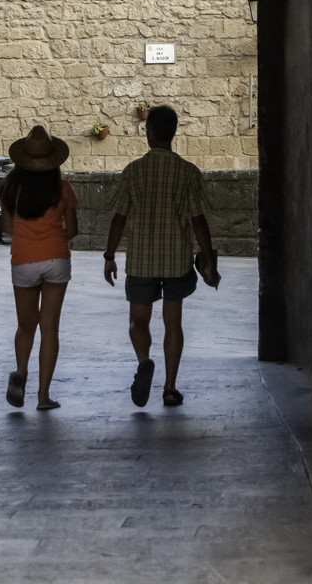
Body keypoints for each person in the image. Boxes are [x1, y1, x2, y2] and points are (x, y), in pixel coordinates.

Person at [103, 105, 220, 408]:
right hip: (176, 260)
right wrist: (209, 259)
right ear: (173, 132)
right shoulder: (188, 173)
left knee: (137, 322)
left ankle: (144, 361)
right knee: (173, 323)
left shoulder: (133, 172)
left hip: (141, 259)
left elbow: (119, 218)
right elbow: (198, 221)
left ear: (149, 132)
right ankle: (169, 388)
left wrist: (110, 254)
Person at [0, 125, 79, 411]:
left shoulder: (9, 188)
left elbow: (8, 229)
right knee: (50, 329)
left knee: (25, 325)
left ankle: (21, 371)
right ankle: (43, 397)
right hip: (56, 259)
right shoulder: (63, 189)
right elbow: (72, 230)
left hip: (22, 261)